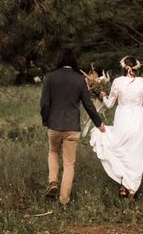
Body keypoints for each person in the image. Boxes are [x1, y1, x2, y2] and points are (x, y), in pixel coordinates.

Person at [89, 55, 143, 198]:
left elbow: (109, 104)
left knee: (121, 149)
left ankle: (124, 185)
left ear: (123, 67)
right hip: (137, 120)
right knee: (135, 152)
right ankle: (130, 187)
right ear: (136, 67)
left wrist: (102, 96)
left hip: (122, 119)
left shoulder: (117, 82)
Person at [40, 47, 106, 205]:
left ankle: (53, 182)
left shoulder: (50, 77)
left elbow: (44, 103)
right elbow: (88, 105)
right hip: (72, 127)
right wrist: (99, 124)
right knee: (69, 164)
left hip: (54, 125)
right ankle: (64, 199)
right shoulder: (79, 79)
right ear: (74, 61)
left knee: (53, 151)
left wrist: (45, 120)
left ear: (59, 59)